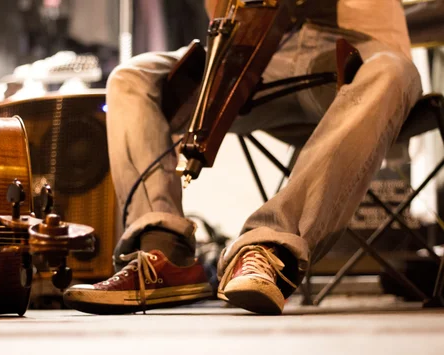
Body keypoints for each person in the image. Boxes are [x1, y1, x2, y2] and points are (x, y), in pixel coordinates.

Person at [63, 0, 423, 315]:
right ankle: (164, 252)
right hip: (263, 53)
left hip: (363, 50)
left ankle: (271, 247)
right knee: (132, 78)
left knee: (392, 71)